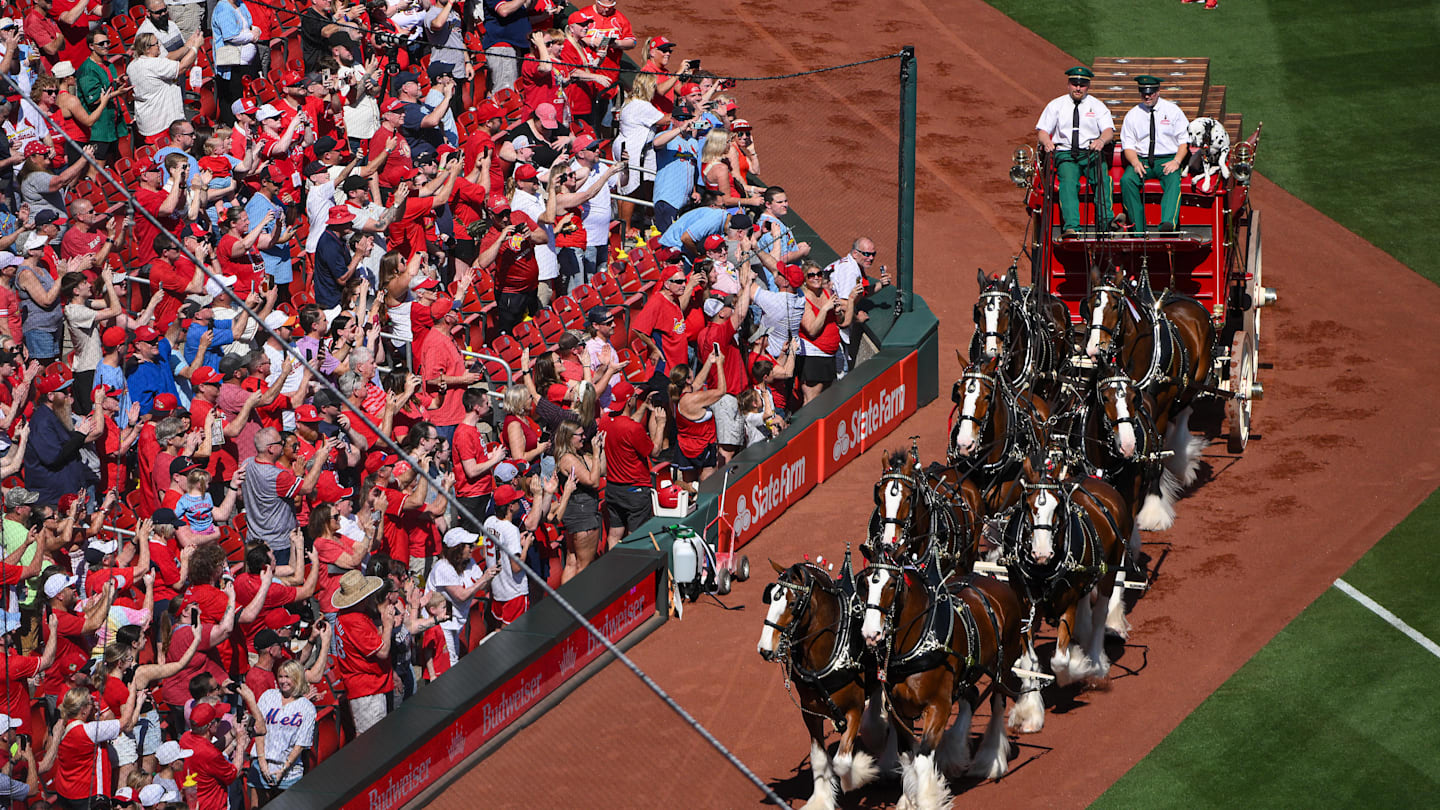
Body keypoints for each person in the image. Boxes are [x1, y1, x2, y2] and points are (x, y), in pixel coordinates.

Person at [1035, 65, 1115, 237]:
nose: (1078, 88)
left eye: (1082, 84)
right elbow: (1042, 131)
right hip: (1066, 154)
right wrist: (1047, 141)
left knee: (1102, 179)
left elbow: (1109, 131)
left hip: (1090, 152)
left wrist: (1101, 140)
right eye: (1074, 84)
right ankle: (1072, 227)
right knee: (1069, 182)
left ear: (1088, 86)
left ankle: (1106, 223)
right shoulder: (1056, 105)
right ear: (1068, 84)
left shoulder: (1097, 106)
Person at [1120, 75, 1190, 234]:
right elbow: (1128, 145)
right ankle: (1137, 230)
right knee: (1127, 180)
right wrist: (1135, 162)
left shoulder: (1173, 111)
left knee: (1173, 179)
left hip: (1167, 159)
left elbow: (1184, 141)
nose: (1147, 96)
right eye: (1143, 92)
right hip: (1142, 160)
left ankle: (1167, 224)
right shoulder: (1132, 115)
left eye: (1151, 92)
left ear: (1158, 91)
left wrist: (1177, 161)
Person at [329, 569, 393, 735]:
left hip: (363, 685)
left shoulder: (344, 615)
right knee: (372, 741)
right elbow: (383, 651)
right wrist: (388, 625)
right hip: (367, 689)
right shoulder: (355, 620)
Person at [250, 659, 315, 801]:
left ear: (297, 678)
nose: (283, 681)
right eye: (280, 676)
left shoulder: (307, 707)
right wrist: (262, 763)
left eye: (288, 677)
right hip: (262, 764)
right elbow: (260, 730)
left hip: (289, 771)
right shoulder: (268, 696)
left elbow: (301, 744)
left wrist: (283, 769)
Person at [427, 527, 496, 654]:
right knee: (451, 663)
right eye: (468, 546)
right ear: (457, 549)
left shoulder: (469, 561)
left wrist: (493, 574)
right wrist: (484, 579)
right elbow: (461, 596)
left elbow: (482, 585)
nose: (472, 548)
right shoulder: (443, 568)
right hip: (444, 626)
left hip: (460, 619)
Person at [127, 31, 204, 144]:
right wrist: (196, 47)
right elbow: (182, 67)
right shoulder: (153, 64)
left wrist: (189, 44)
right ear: (147, 49)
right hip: (162, 124)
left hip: (147, 123)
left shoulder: (132, 65)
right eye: (156, 43)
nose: (159, 45)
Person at [551, 419, 604, 583]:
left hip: (580, 513)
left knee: (573, 562)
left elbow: (601, 471)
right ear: (568, 437)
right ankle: (580, 603)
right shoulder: (567, 459)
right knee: (584, 566)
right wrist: (595, 454)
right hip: (583, 517)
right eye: (580, 435)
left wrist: (601, 450)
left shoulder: (578, 455)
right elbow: (593, 481)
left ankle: (567, 602)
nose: (584, 437)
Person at [178, 701, 248, 810]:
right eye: (218, 720)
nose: (219, 723)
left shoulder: (185, 738)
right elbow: (233, 774)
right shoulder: (210, 754)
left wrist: (233, 732)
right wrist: (240, 744)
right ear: (210, 726)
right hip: (212, 806)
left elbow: (210, 748)